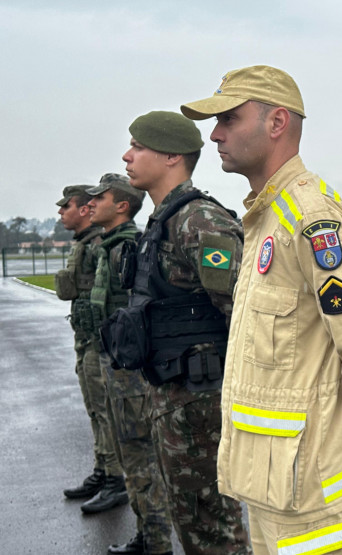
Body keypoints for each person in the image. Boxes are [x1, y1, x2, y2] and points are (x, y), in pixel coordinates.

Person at [181, 65, 342, 555]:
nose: (214, 134)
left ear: (276, 123)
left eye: (228, 119)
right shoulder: (267, 217)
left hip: (308, 493)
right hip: (274, 483)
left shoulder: (309, 216)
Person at [105, 110, 250, 554]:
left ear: (171, 156)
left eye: (138, 147)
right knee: (192, 524)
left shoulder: (198, 221)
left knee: (212, 529)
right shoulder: (163, 220)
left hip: (201, 406)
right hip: (173, 398)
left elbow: (246, 317)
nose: (127, 156)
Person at [86, 174, 173, 554]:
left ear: (122, 205)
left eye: (100, 198)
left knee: (140, 454)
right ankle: (147, 535)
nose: (92, 204)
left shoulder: (128, 248)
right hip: (114, 362)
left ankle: (155, 542)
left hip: (129, 370)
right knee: (129, 451)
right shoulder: (110, 246)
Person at [54, 185, 125, 509]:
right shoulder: (84, 244)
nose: (61, 212)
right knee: (94, 410)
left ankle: (115, 479)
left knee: (105, 411)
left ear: (83, 210)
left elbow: (108, 296)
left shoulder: (98, 245)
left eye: (66, 206)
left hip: (98, 341)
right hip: (85, 339)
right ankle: (102, 469)